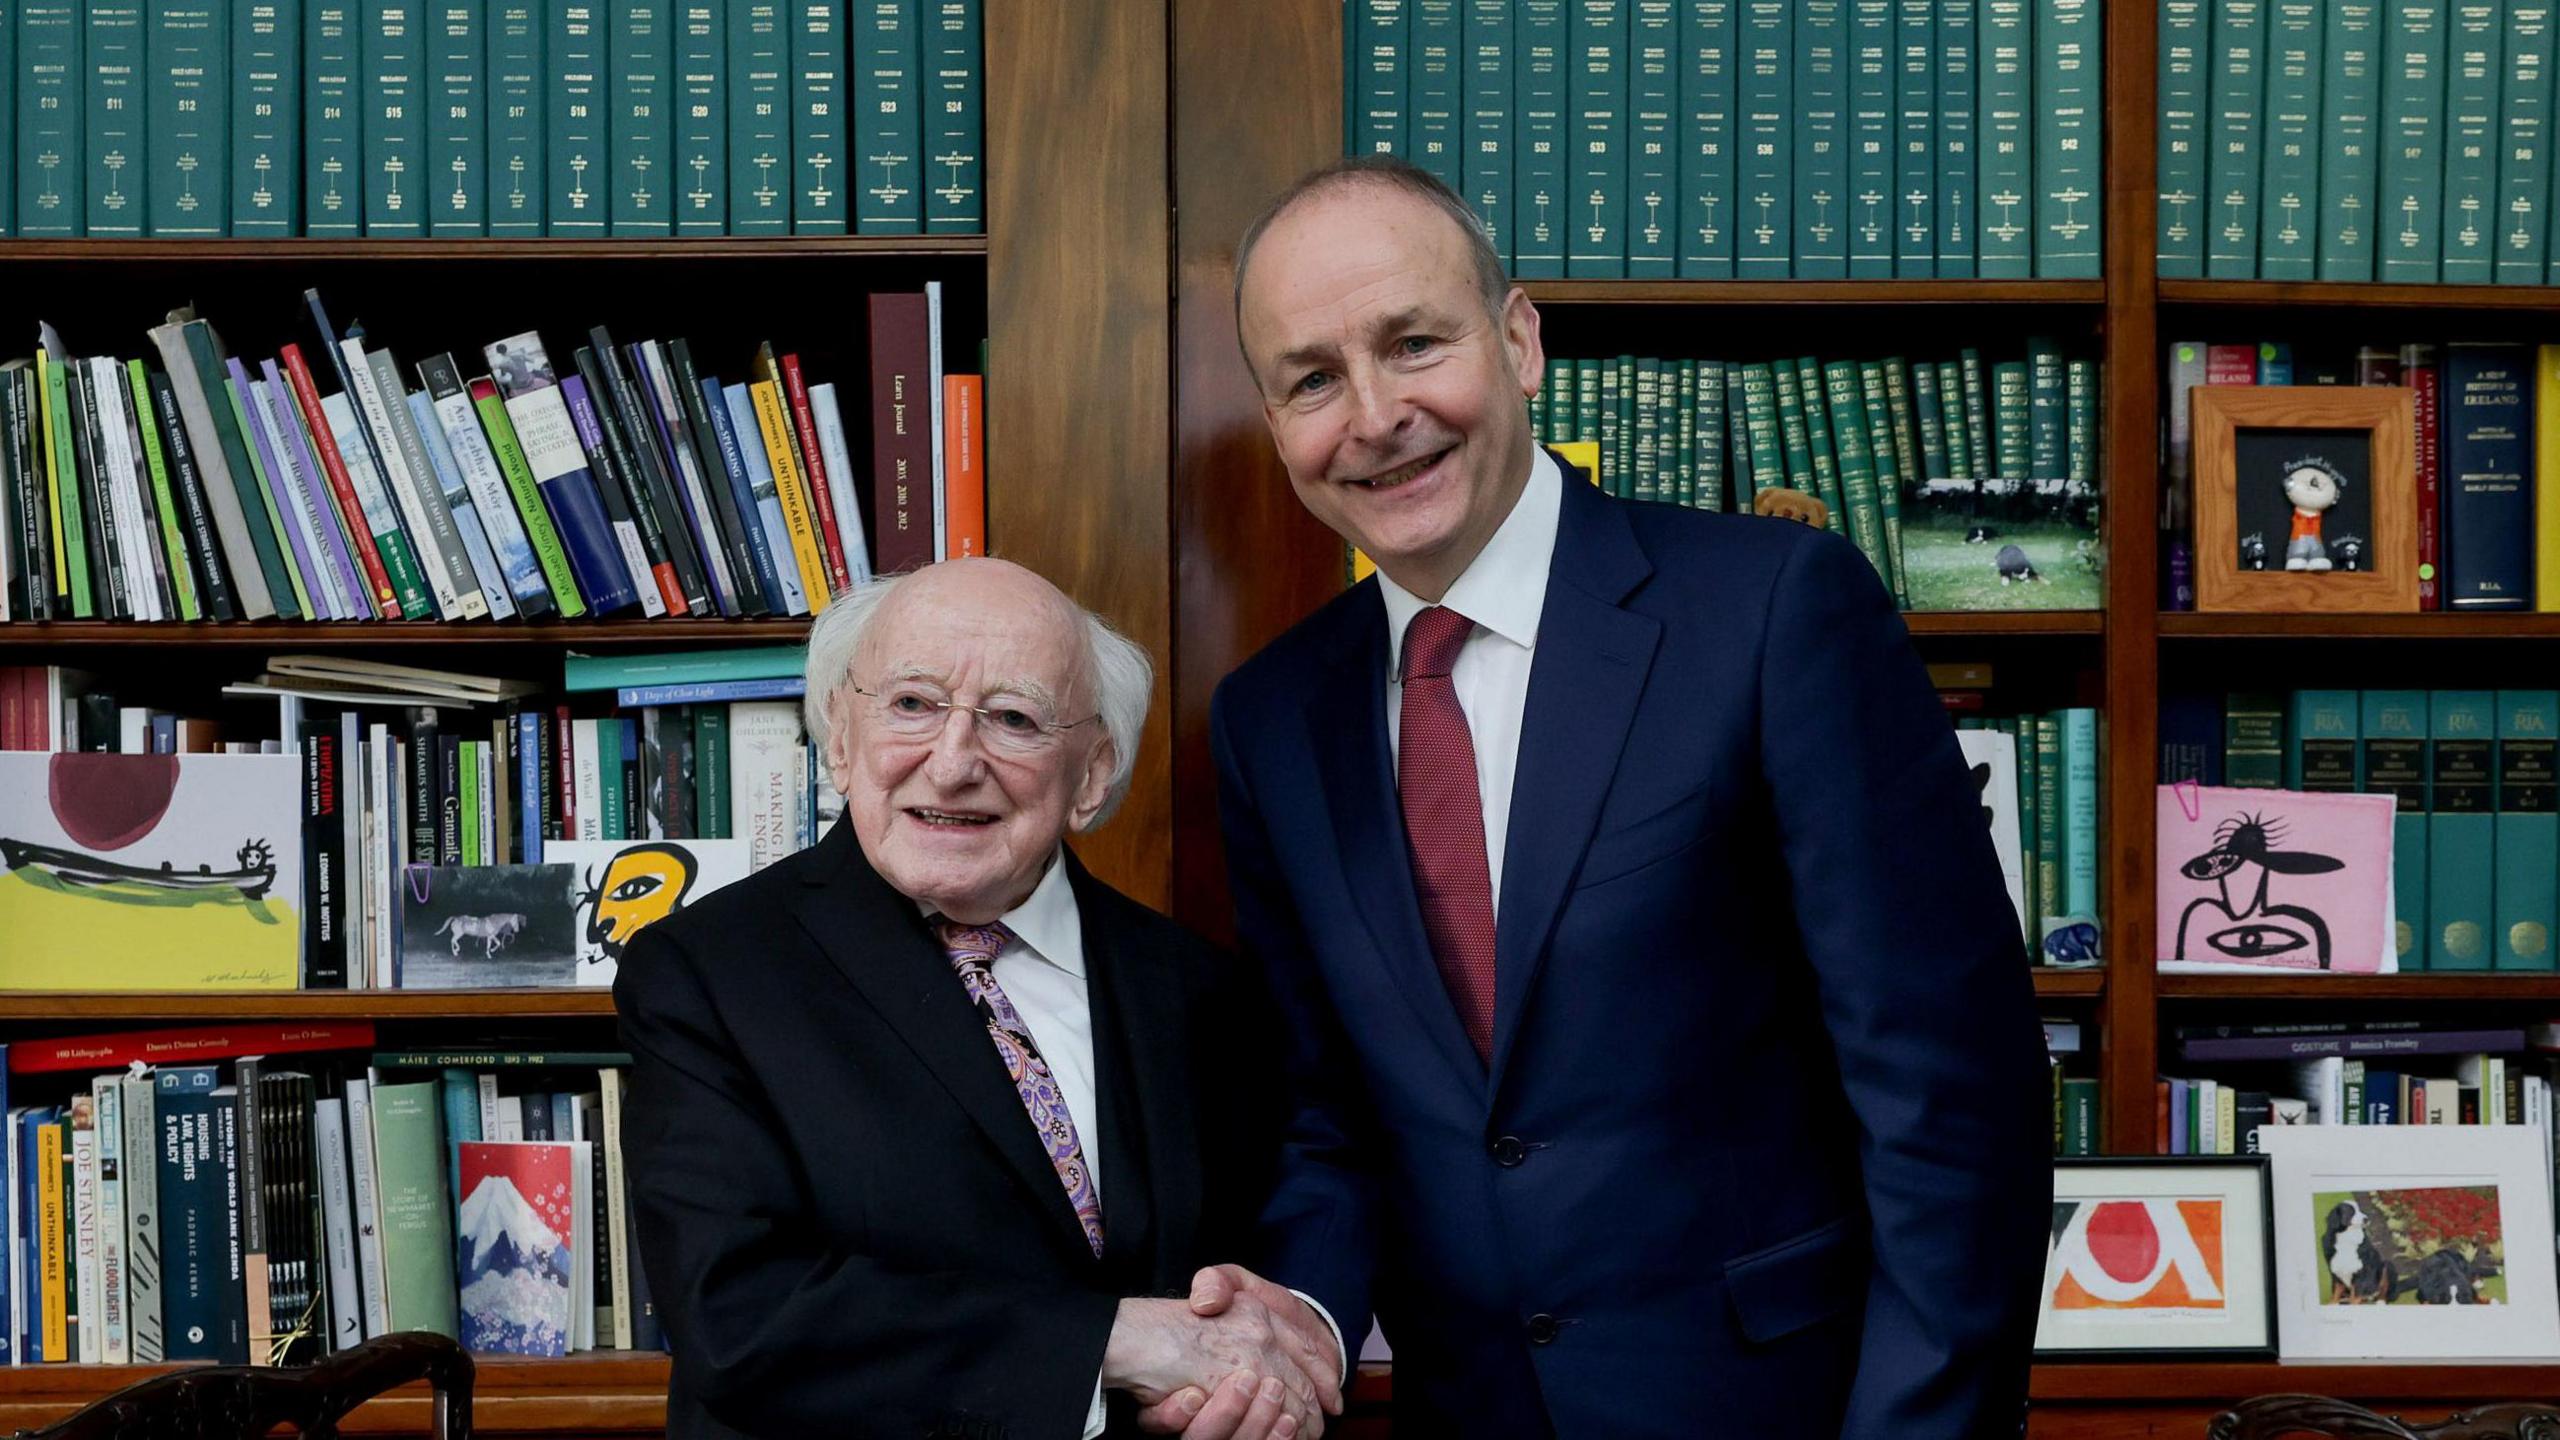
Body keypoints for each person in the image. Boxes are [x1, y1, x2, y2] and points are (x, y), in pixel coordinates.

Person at [1190, 157, 2053, 1438]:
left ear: (1521, 340)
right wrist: (1298, 1324)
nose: (1372, 417)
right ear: (1274, 423)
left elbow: (1950, 1103)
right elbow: (1335, 1118)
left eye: (1413, 343)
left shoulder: (1773, 610)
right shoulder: (1270, 720)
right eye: (1313, 379)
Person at [618, 558, 1343, 1440]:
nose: (954, 763)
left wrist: (1242, 1379)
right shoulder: (704, 975)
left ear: (1092, 773)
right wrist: (1115, 1345)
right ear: (841, 735)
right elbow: (740, 1319)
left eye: (1014, 718)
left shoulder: (1197, 988)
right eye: (913, 704)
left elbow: (1237, 1288)